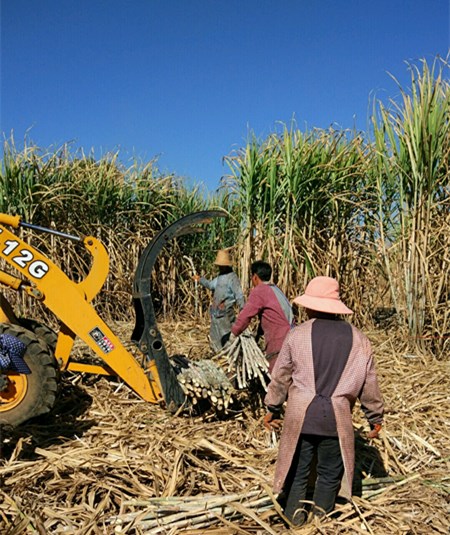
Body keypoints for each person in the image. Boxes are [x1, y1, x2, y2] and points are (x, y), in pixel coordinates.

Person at [263, 276, 384, 526]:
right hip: (336, 419)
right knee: (329, 474)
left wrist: (272, 407)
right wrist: (375, 417)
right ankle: (321, 522)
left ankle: (295, 521)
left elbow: (281, 376)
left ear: (310, 306)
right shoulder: (360, 340)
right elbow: (369, 383)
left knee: (298, 472)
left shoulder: (297, 335)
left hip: (301, 417)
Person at [229, 260, 293, 373]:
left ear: (254, 277)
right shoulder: (275, 289)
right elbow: (270, 314)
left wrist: (234, 333)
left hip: (280, 338)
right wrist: (258, 334)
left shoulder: (260, 290)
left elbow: (246, 315)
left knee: (277, 374)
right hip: (292, 335)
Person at [194, 249, 245, 353]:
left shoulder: (233, 278)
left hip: (225, 313)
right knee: (215, 336)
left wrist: (243, 310)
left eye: (221, 266)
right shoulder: (220, 277)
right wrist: (200, 279)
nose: (220, 267)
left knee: (226, 336)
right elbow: (210, 285)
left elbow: (239, 295)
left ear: (226, 266)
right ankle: (217, 355)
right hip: (216, 313)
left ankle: (228, 355)